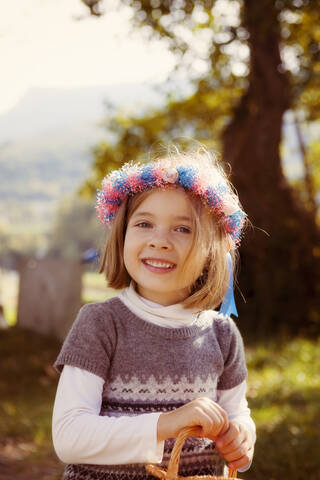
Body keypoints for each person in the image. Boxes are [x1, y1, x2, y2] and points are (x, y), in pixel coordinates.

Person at [52, 145, 256, 480]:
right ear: (122, 235)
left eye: (183, 229)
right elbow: (70, 437)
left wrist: (241, 439)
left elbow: (238, 413)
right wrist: (166, 424)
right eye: (145, 223)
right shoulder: (102, 324)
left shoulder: (222, 335)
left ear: (211, 250)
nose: (160, 241)